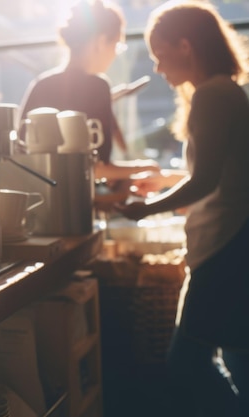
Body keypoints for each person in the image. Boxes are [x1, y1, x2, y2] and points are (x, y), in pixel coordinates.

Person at [116, 1, 249, 415]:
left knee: (186, 364)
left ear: (185, 46)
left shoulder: (212, 96)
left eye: (160, 55)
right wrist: (168, 183)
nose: (157, 68)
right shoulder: (227, 90)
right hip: (234, 243)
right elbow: (222, 170)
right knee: (237, 358)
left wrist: (146, 208)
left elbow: (207, 181)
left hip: (224, 247)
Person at [18, 0, 159, 184]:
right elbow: (96, 168)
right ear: (101, 42)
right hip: (73, 197)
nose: (116, 54)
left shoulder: (41, 84)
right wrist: (148, 167)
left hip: (38, 193)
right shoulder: (97, 86)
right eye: (116, 45)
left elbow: (19, 152)